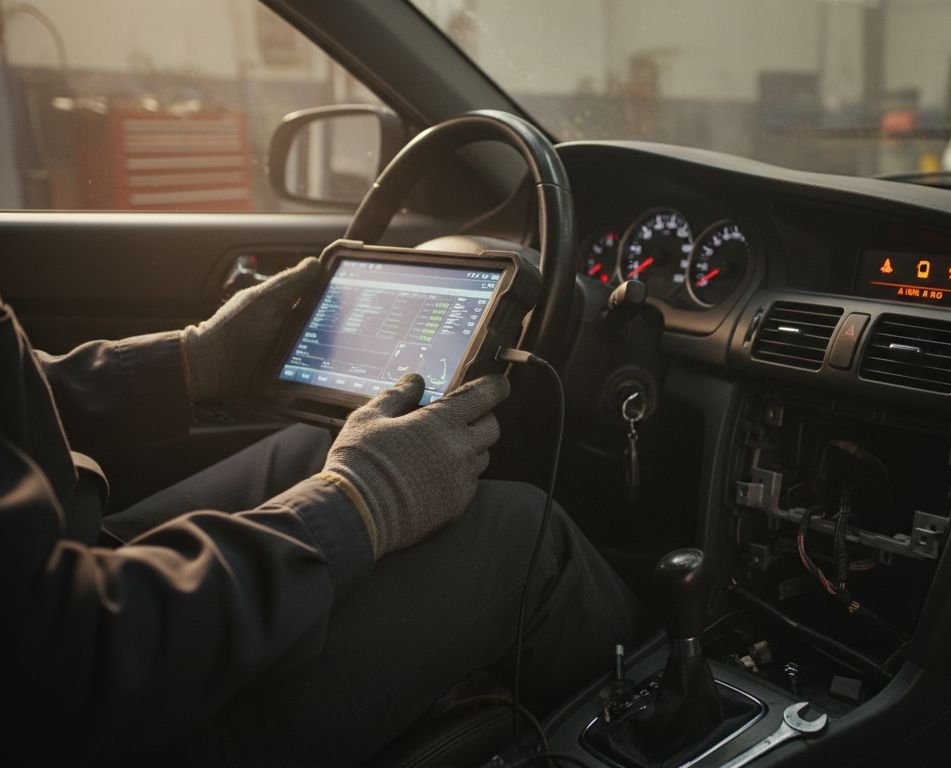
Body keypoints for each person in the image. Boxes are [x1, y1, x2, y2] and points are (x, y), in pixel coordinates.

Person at [0, 259, 645, 766]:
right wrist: (361, 502)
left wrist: (187, 362)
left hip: (64, 566)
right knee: (524, 535)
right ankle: (658, 733)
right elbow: (59, 662)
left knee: (318, 443)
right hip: (101, 715)